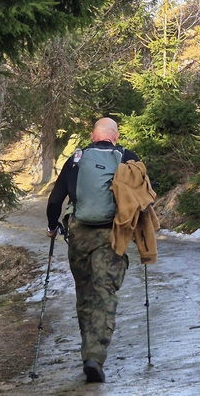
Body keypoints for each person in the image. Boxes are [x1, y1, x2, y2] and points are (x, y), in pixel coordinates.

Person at [47, 117, 147, 384]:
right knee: (105, 293)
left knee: (85, 293)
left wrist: (51, 226)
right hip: (111, 234)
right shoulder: (128, 157)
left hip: (78, 234)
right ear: (115, 136)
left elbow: (56, 198)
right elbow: (143, 198)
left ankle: (86, 353)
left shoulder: (77, 159)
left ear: (93, 136)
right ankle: (95, 355)